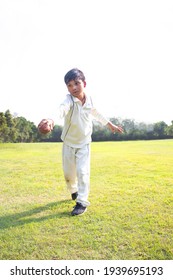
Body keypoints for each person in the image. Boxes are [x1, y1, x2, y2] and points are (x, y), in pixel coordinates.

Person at [40, 68, 123, 216]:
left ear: (84, 83)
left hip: (84, 143)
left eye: (76, 83)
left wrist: (110, 125)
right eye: (69, 85)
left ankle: (82, 202)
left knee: (83, 172)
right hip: (68, 143)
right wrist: (51, 120)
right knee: (69, 174)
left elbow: (96, 113)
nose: (73, 88)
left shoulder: (89, 99)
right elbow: (61, 109)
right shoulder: (69, 100)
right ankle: (74, 191)